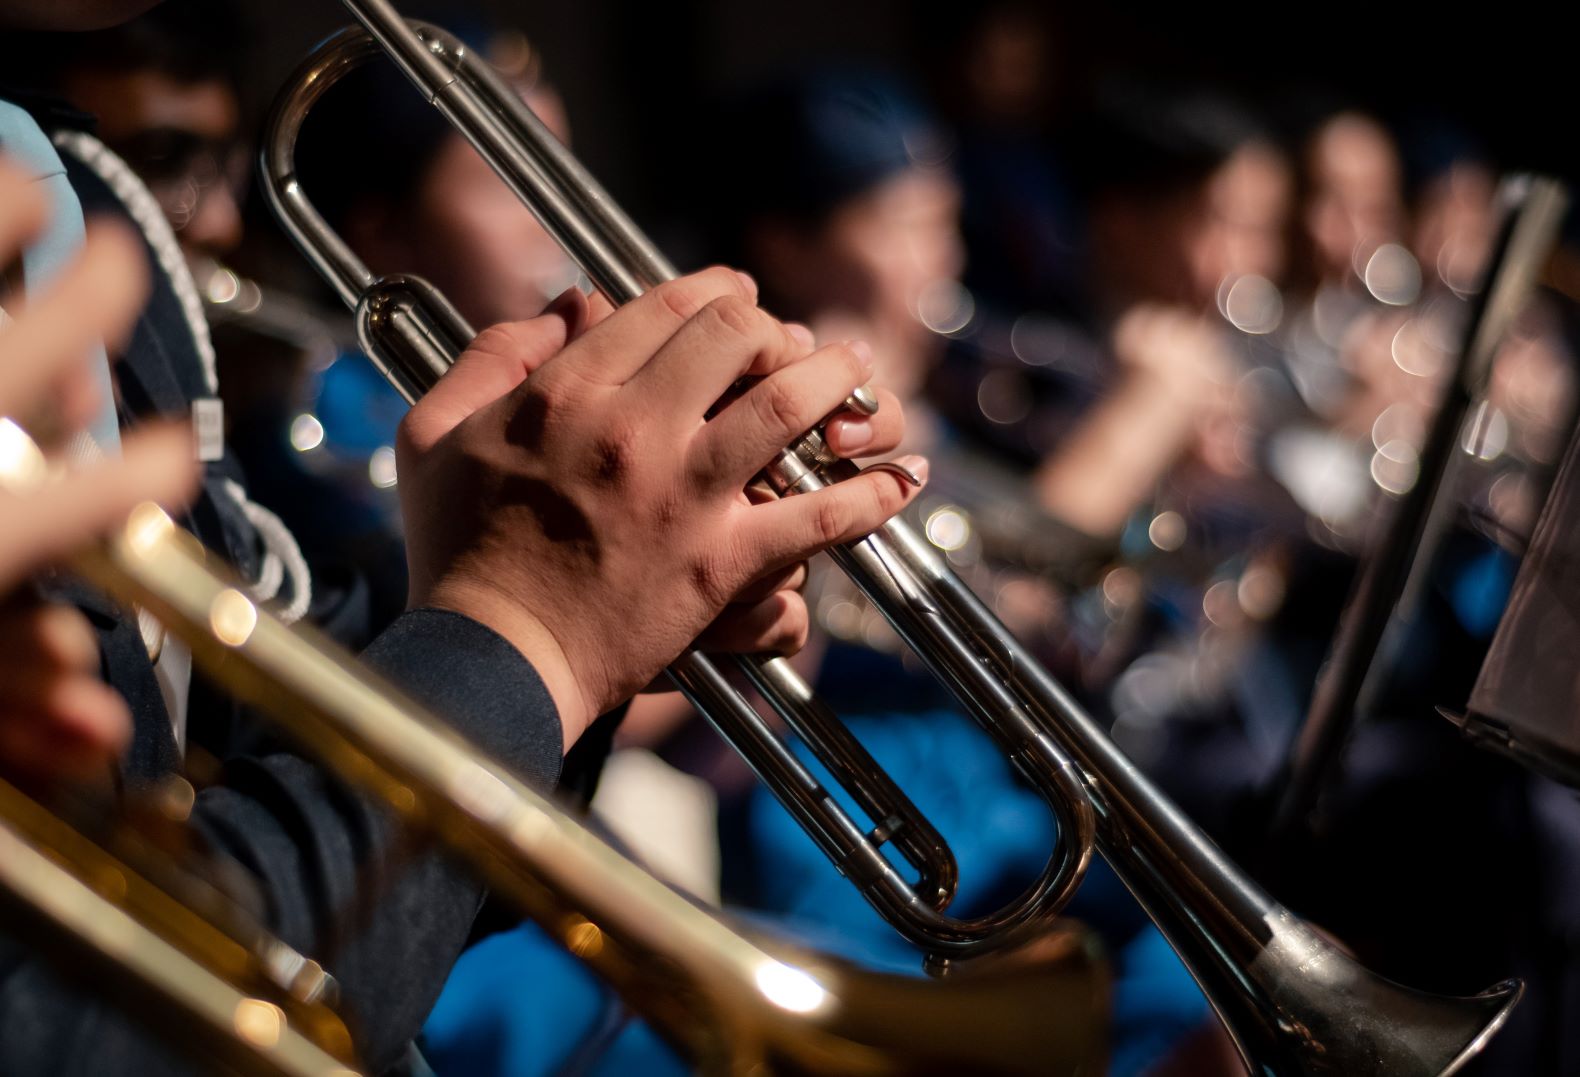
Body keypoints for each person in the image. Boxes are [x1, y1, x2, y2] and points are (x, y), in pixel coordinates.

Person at [0, 3, 925, 1074]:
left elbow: (259, 728)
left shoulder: (68, 176)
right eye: (500, 181)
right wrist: (529, 626)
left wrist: (618, 577)